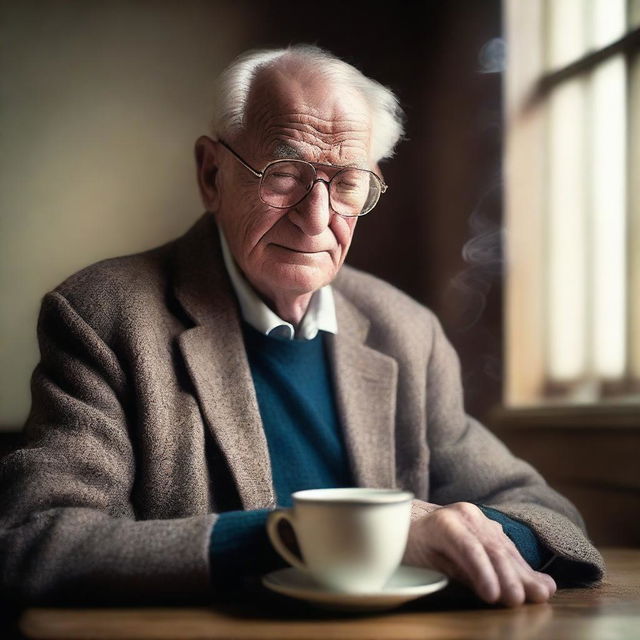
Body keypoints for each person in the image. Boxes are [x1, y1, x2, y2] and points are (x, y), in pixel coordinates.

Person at [0, 45, 603, 608]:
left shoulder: (406, 332)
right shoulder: (103, 316)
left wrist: (471, 538)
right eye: (285, 171)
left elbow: (550, 518)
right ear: (212, 174)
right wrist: (335, 537)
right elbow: (38, 543)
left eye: (346, 183)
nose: (317, 219)